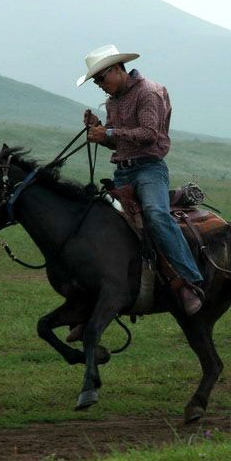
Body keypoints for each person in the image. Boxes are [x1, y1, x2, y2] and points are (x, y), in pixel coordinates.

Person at [76, 44, 204, 317]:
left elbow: (148, 134)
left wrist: (109, 131)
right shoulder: (112, 102)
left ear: (117, 69)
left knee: (156, 215)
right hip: (122, 171)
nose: (99, 85)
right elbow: (118, 144)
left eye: (101, 78)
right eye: (95, 81)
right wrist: (100, 132)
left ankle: (189, 280)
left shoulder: (149, 93)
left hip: (149, 169)